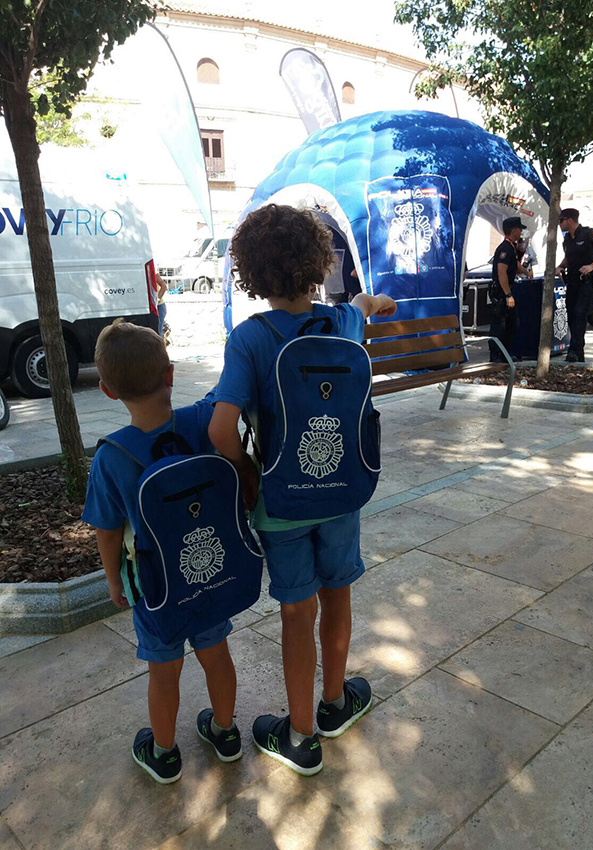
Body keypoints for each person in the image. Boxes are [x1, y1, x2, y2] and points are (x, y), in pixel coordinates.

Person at [208, 204, 396, 776]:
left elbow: (220, 428)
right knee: (338, 595)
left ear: (252, 272)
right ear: (318, 263)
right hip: (343, 491)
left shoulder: (251, 339)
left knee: (298, 612)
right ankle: (335, 704)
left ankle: (300, 735)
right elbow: (361, 307)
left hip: (282, 502)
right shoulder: (341, 323)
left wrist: (244, 469)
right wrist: (374, 302)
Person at [82, 319, 240, 784]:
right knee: (217, 655)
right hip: (209, 572)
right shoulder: (201, 425)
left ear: (108, 391)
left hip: (155, 590)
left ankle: (164, 752)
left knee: (164, 669)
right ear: (170, 375)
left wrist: (114, 580)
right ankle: (226, 732)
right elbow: (228, 391)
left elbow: (107, 532)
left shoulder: (112, 457)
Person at [555, 208, 593, 362]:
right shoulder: (568, 238)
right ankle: (578, 354)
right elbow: (569, 258)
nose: (559, 224)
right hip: (572, 282)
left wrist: (592, 266)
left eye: (560, 220)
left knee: (579, 314)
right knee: (571, 316)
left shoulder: (589, 234)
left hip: (586, 282)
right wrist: (560, 266)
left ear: (569, 220)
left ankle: (574, 351)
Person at [489, 216, 534, 362]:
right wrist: (508, 294)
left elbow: (515, 264)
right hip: (502, 293)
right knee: (500, 324)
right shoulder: (504, 248)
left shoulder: (511, 247)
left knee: (512, 324)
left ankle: (506, 353)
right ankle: (496, 355)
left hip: (507, 291)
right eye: (520, 229)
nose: (521, 232)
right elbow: (502, 272)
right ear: (514, 230)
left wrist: (527, 273)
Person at [156, 272, 168, 340]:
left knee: (157, 333)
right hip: (152, 307)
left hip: (159, 306)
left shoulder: (153, 272)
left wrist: (157, 299)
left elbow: (164, 286)